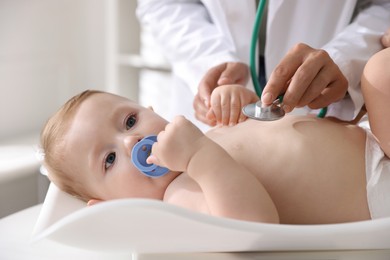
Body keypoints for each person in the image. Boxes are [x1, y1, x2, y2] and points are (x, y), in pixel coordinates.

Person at [40, 47, 390, 225]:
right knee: (381, 70)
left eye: (130, 121)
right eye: (110, 159)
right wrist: (197, 156)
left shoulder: (205, 139)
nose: (131, 142)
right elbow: (253, 225)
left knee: (379, 70)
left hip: (369, 140)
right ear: (110, 207)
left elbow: (267, 134)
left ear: (151, 109)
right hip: (375, 190)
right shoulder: (180, 196)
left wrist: (242, 106)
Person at [136, 0, 390, 128]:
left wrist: (343, 58)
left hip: (327, 116)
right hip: (210, 105)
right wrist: (212, 61)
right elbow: (162, 3)